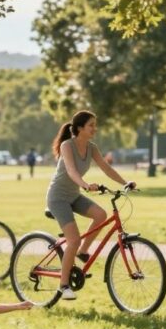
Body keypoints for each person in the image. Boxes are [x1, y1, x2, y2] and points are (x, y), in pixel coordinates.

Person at [47, 110, 135, 300]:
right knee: (73, 239)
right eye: (91, 125)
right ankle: (63, 286)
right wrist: (85, 185)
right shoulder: (67, 145)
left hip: (74, 195)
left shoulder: (92, 147)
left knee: (101, 215)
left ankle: (83, 251)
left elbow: (106, 167)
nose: (95, 128)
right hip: (58, 198)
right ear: (80, 128)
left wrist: (125, 182)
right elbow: (70, 170)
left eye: (95, 125)